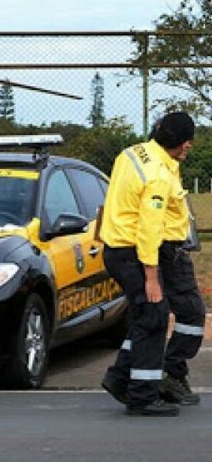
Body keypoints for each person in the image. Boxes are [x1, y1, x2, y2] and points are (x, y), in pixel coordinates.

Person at [98, 113, 195, 417]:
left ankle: (120, 379)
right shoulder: (157, 175)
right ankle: (142, 395)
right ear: (183, 144)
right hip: (134, 251)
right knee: (154, 314)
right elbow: (149, 229)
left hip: (124, 248)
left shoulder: (134, 152)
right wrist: (151, 278)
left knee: (148, 316)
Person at [152, 115, 205, 405]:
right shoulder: (160, 168)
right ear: (184, 143)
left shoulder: (155, 160)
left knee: (152, 316)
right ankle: (169, 373)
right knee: (191, 314)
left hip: (164, 247)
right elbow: (152, 215)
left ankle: (151, 374)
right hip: (165, 249)